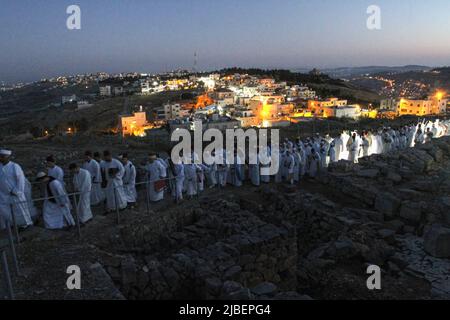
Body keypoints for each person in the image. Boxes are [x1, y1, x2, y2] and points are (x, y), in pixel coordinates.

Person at [0, 149, 33, 229]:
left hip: (15, 193)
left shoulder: (14, 166)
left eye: (2, 157)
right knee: (6, 210)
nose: (0, 158)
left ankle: (26, 224)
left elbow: (21, 180)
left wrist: (17, 191)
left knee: (20, 209)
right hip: (3, 194)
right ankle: (13, 225)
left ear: (8, 157)